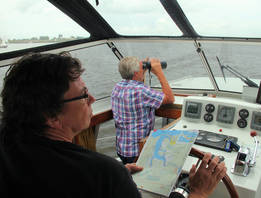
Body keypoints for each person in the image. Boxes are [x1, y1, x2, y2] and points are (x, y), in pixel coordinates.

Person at [0, 52, 227, 198]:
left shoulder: (8, 147)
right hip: (134, 153)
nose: (90, 100)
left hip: (123, 150)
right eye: (84, 94)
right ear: (50, 115)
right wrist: (197, 192)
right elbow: (168, 99)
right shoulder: (102, 174)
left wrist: (118, 176)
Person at [111, 56, 175, 164]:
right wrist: (159, 72)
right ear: (136, 73)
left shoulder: (117, 87)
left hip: (122, 149)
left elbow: (136, 85)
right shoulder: (141, 91)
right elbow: (170, 98)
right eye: (142, 68)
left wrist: (142, 71)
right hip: (137, 151)